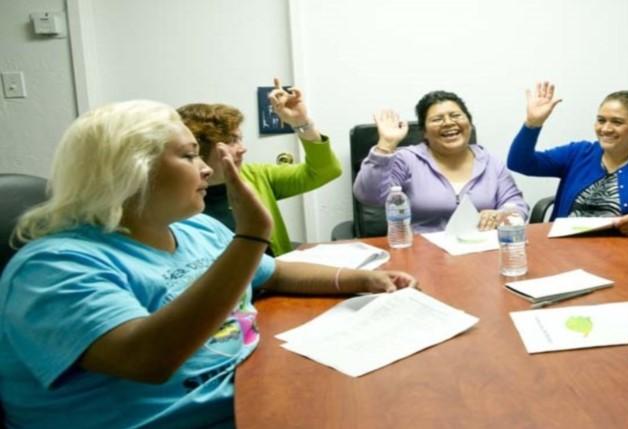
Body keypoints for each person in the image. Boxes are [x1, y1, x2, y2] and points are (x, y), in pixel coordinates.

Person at [0, 100, 416, 428]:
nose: (204, 168)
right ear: (130, 172)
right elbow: (147, 359)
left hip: (251, 397)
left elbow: (276, 271)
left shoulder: (199, 229)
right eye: (188, 156)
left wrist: (362, 279)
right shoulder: (54, 266)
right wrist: (251, 237)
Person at [507, 82, 628, 235]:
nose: (605, 129)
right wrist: (533, 123)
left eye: (617, 122)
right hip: (564, 246)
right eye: (601, 120)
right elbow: (520, 162)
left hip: (622, 251)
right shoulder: (579, 152)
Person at [178, 78, 341, 256]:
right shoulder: (176, 200)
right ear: (198, 149)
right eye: (231, 141)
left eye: (239, 138)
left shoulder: (255, 175)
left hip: (279, 276)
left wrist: (301, 123)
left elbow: (325, 171)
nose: (242, 149)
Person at [353, 90, 529, 232]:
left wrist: (503, 214)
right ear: (424, 132)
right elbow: (370, 197)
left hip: (480, 254)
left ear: (469, 123)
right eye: (437, 119)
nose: (448, 123)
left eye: (456, 115)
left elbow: (516, 205)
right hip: (422, 256)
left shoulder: (490, 163)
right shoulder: (406, 159)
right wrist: (386, 145)